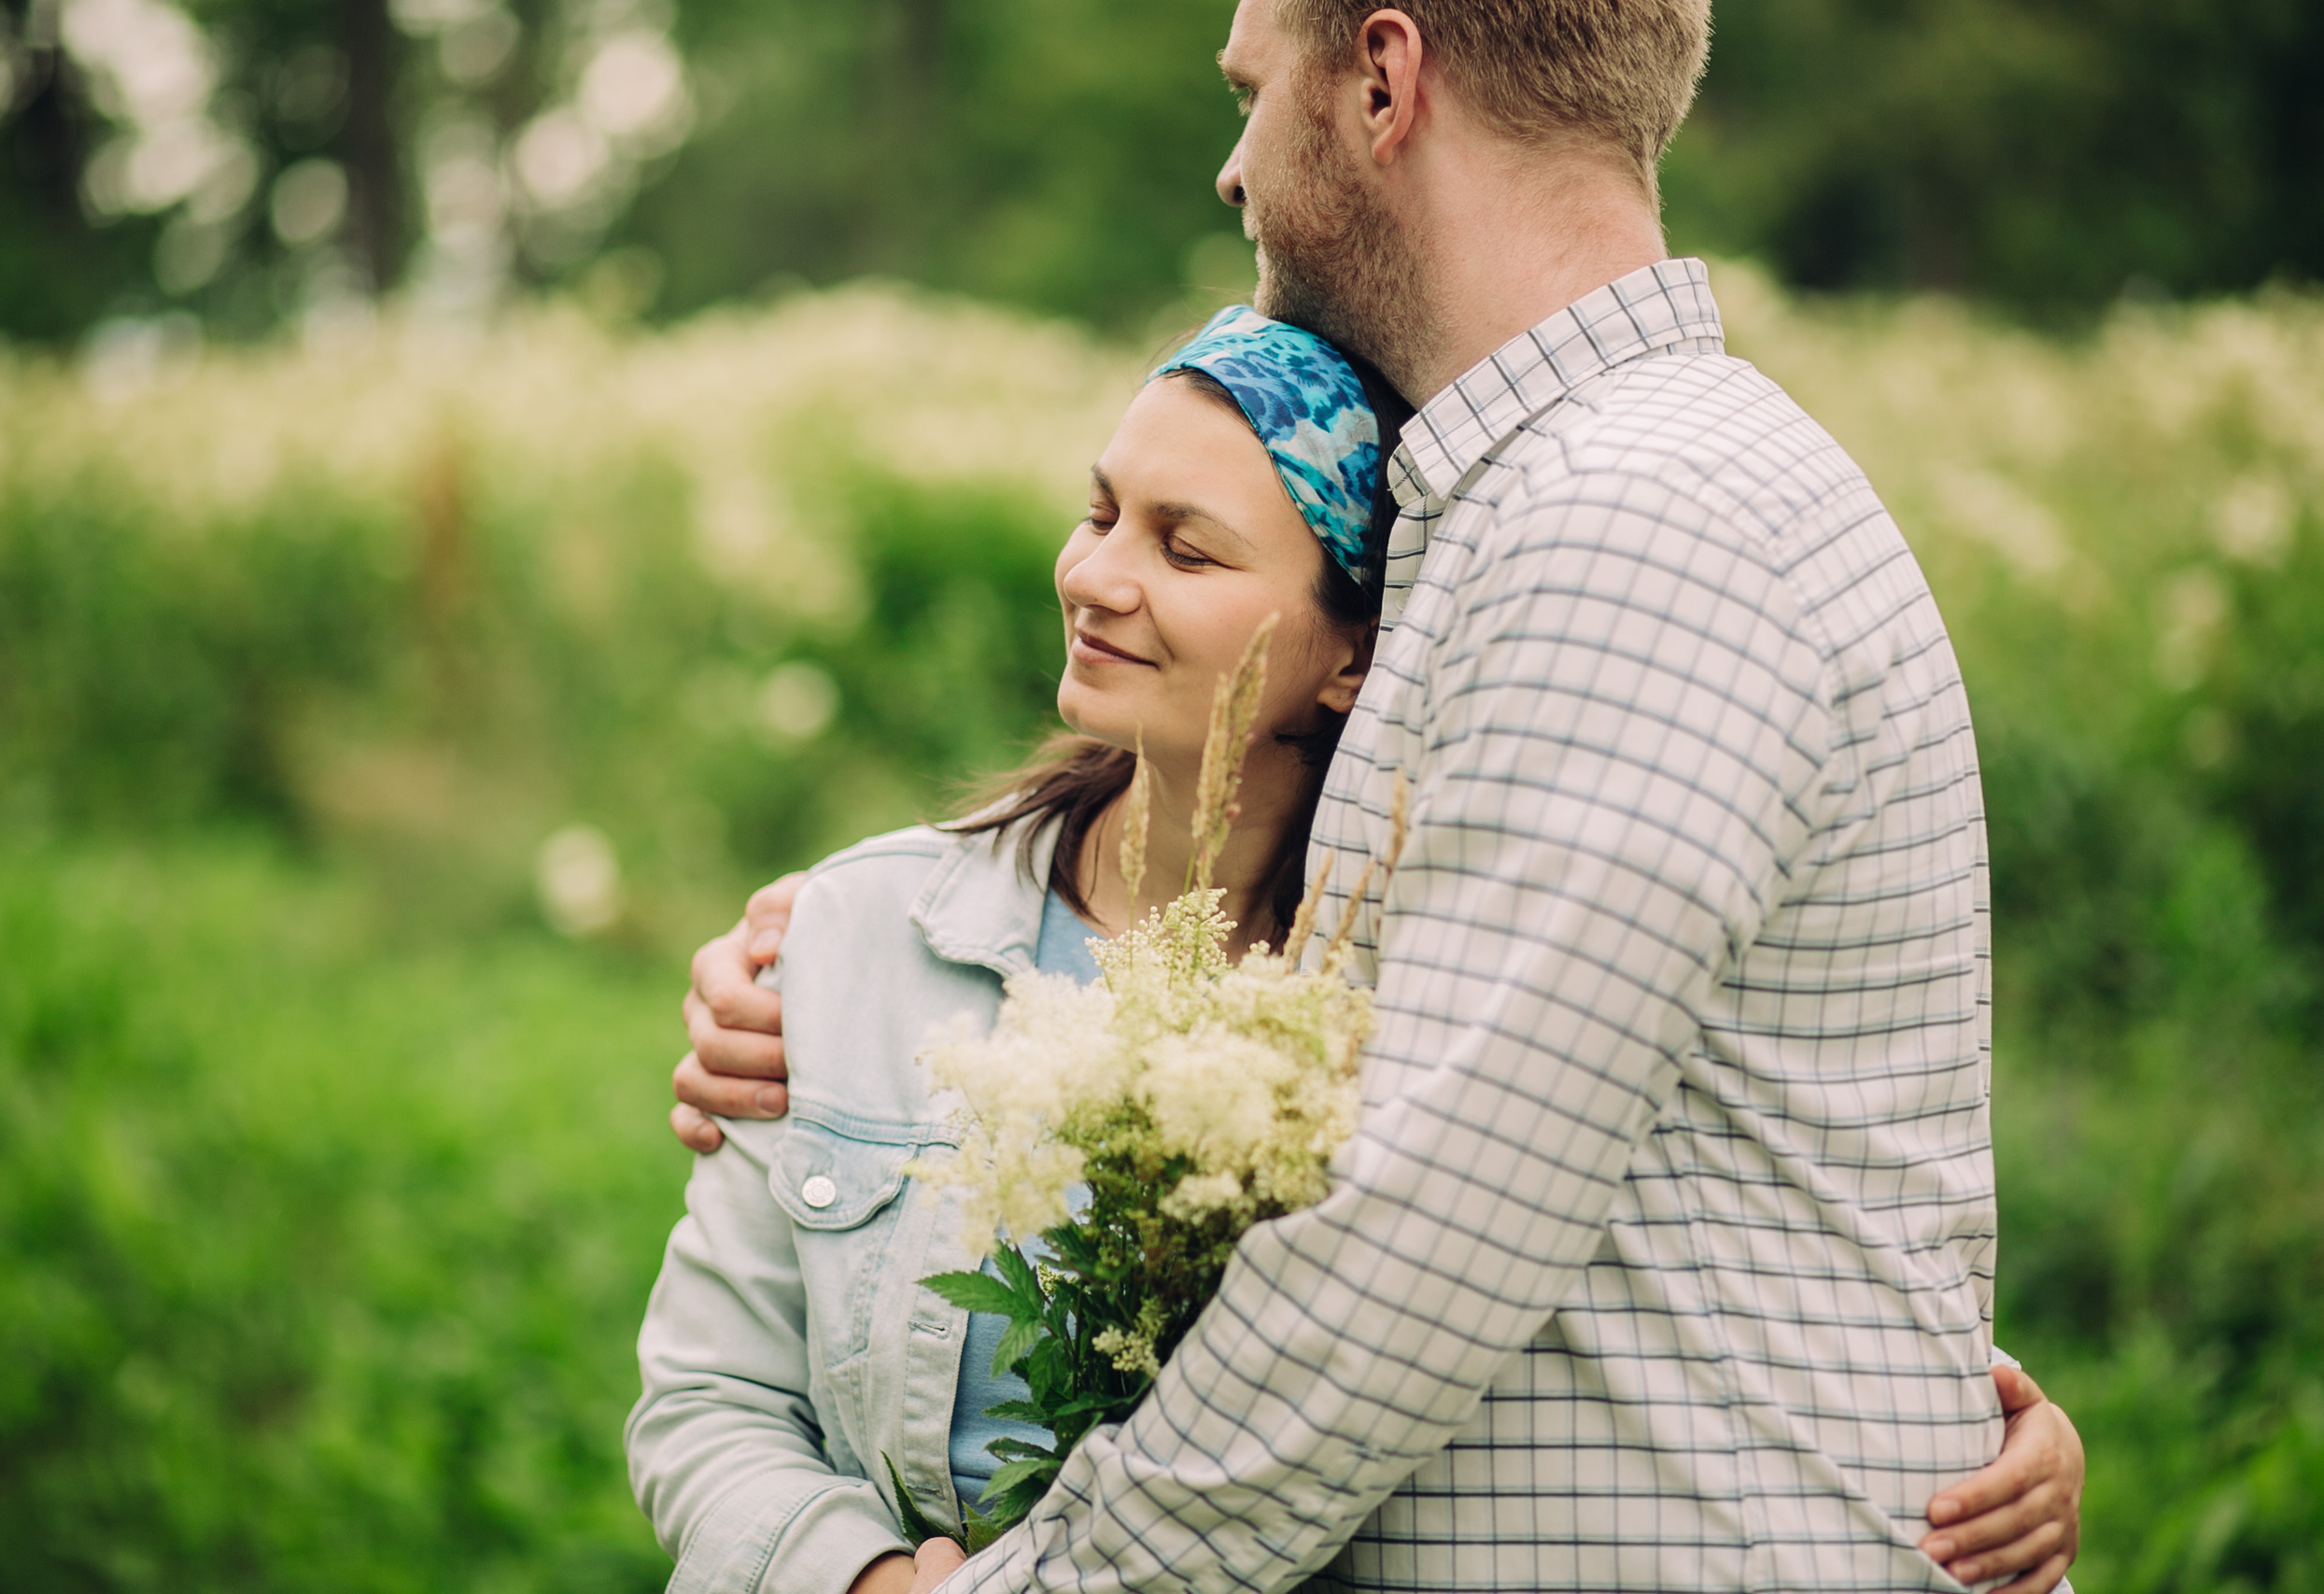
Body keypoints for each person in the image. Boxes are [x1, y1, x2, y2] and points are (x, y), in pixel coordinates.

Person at [665, 3, 2089, 1591]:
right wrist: (847, 959)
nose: (1233, 170)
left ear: (1383, 77)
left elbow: (1419, 1235)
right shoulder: (1547, 505)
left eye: (1252, 91)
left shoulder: (1627, 521)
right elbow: (1657, 1132)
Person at [628, 311, 1414, 1592]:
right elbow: (707, 1401)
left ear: (1351, 657)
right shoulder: (860, 931)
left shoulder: (1398, 1008)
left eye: (1188, 550)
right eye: (1101, 513)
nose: (1097, 576)